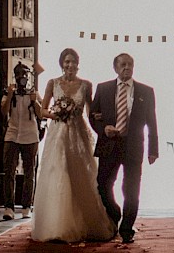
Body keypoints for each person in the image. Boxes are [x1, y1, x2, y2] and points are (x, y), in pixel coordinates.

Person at [31, 50, 115, 240]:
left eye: (74, 62)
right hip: (58, 134)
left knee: (80, 174)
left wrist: (101, 119)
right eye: (67, 62)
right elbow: (42, 111)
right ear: (62, 63)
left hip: (78, 134)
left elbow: (90, 110)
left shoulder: (86, 85)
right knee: (59, 172)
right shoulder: (53, 83)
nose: (70, 65)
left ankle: (85, 221)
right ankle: (58, 225)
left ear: (78, 64)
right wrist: (57, 113)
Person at [90, 53, 158, 244]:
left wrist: (154, 149)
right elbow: (92, 115)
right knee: (103, 184)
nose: (126, 67)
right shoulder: (103, 88)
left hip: (133, 146)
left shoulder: (146, 91)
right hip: (108, 145)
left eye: (130, 64)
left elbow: (152, 122)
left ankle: (127, 228)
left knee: (131, 188)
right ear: (116, 68)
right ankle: (115, 212)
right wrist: (103, 128)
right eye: (123, 64)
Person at [0, 62, 42, 221]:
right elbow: (4, 112)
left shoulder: (34, 93)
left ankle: (26, 206)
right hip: (12, 135)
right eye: (19, 74)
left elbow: (40, 114)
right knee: (9, 171)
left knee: (29, 171)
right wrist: (10, 95)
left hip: (30, 136)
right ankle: (9, 207)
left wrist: (35, 100)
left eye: (24, 74)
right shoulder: (9, 92)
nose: (22, 78)